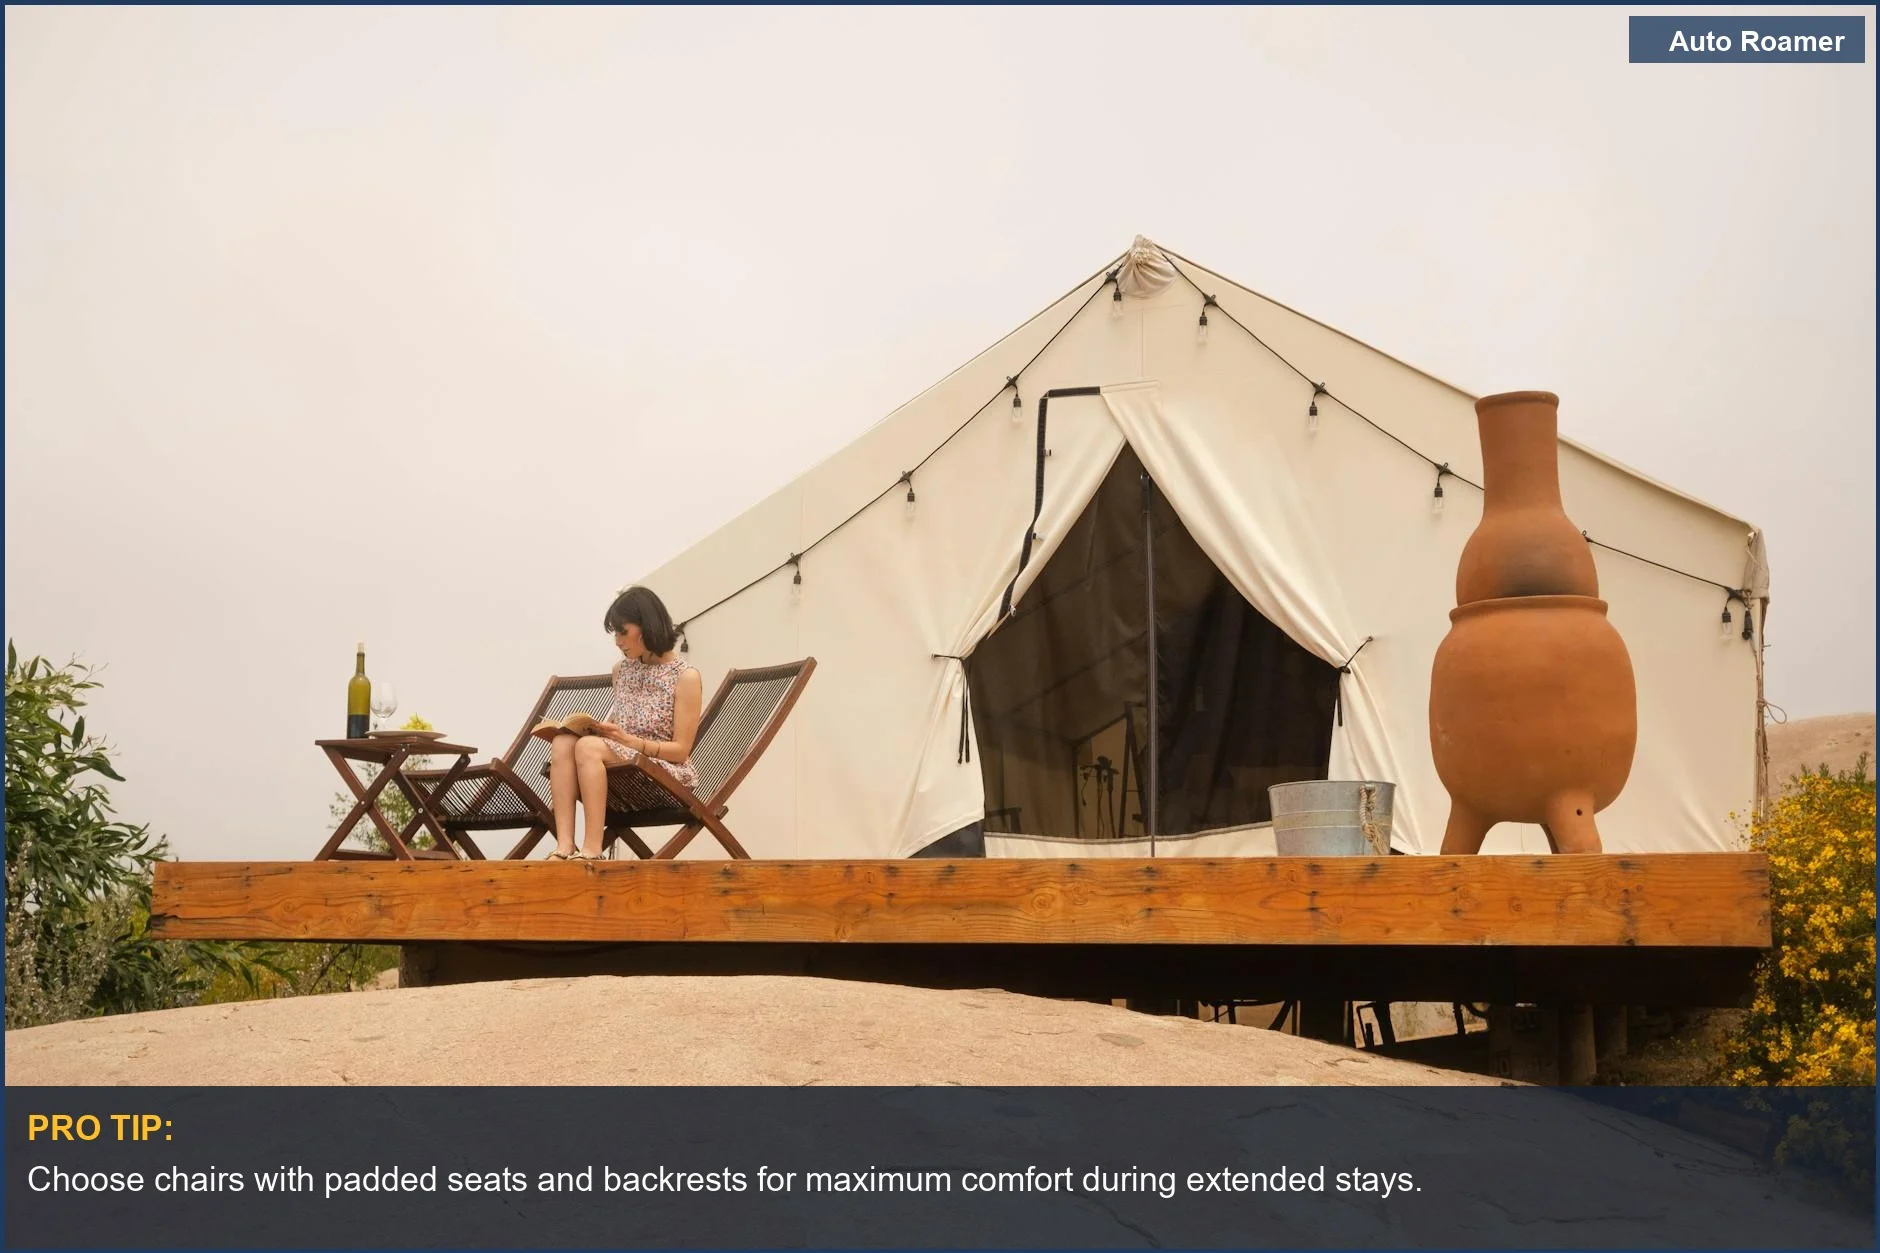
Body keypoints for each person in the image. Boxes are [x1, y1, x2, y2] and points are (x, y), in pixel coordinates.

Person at [547, 586, 703, 861]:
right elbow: (620, 726)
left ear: (647, 625)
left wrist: (631, 742)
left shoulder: (685, 677)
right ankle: (564, 847)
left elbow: (680, 751)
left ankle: (592, 850)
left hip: (662, 777)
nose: (618, 641)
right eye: (615, 634)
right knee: (562, 741)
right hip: (622, 766)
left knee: (587, 748)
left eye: (622, 632)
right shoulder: (621, 670)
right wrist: (599, 729)